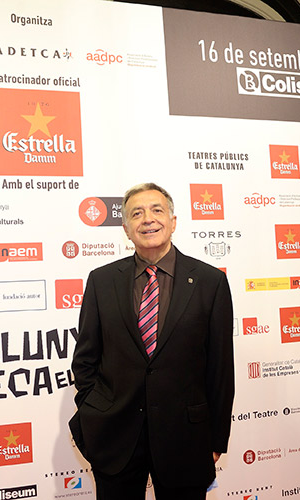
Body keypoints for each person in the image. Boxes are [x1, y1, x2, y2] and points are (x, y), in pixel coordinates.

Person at [69, 183, 234, 500]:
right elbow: (85, 359)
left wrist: (216, 439)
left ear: (173, 222)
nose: (148, 219)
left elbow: (220, 369)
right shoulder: (101, 281)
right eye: (136, 213)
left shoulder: (210, 281)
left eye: (157, 210)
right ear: (126, 229)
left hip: (186, 439)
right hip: (116, 438)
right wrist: (95, 414)